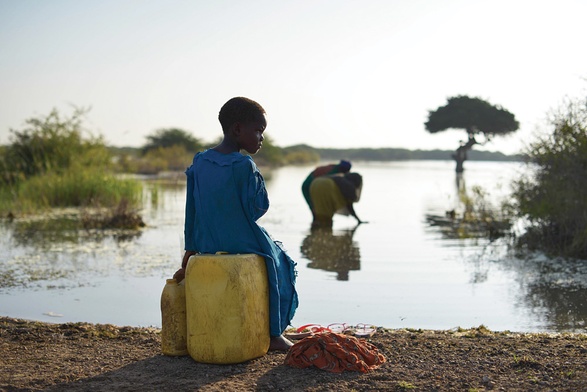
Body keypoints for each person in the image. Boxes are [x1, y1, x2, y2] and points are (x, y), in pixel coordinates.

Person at [172, 97, 298, 351]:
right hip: (240, 238)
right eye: (258, 131)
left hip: (206, 240)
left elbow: (191, 210)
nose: (261, 138)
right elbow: (258, 209)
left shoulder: (200, 161)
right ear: (238, 129)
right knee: (277, 261)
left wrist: (189, 251)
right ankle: (274, 333)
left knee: (273, 257)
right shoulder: (243, 165)